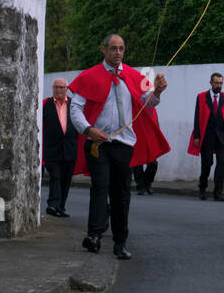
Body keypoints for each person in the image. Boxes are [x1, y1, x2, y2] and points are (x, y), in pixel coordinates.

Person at [68, 33, 169, 260]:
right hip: (98, 142)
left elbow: (147, 104)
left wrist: (158, 91)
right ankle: (94, 235)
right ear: (103, 50)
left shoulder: (133, 76)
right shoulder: (89, 76)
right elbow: (75, 108)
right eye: (113, 48)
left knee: (121, 193)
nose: (117, 53)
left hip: (124, 143)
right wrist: (88, 130)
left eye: (121, 48)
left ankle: (120, 242)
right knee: (100, 187)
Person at [189, 72, 224, 202]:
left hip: (221, 136)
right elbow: (197, 117)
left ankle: (218, 192)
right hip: (206, 137)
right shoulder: (202, 97)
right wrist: (196, 136)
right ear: (211, 83)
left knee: (221, 165)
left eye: (220, 83)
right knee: (207, 164)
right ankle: (202, 189)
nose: (219, 85)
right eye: (216, 83)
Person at [42, 78, 80, 217]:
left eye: (61, 87)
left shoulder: (74, 104)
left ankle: (60, 207)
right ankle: (52, 204)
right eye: (56, 87)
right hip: (51, 148)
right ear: (52, 89)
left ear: (66, 88)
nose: (58, 90)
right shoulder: (45, 105)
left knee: (65, 179)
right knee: (55, 177)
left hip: (70, 148)